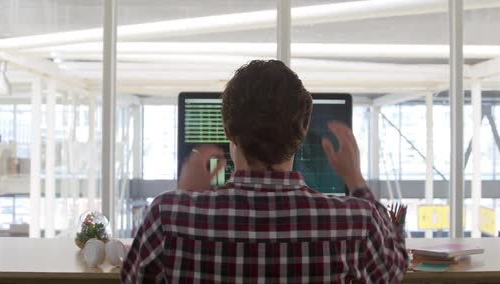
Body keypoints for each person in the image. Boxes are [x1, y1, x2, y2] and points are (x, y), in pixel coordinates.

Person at [121, 60, 409, 283]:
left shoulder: (167, 216)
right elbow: (393, 270)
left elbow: (133, 277)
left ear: (228, 129)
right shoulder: (359, 222)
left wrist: (185, 196)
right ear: (303, 129)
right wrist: (356, 181)